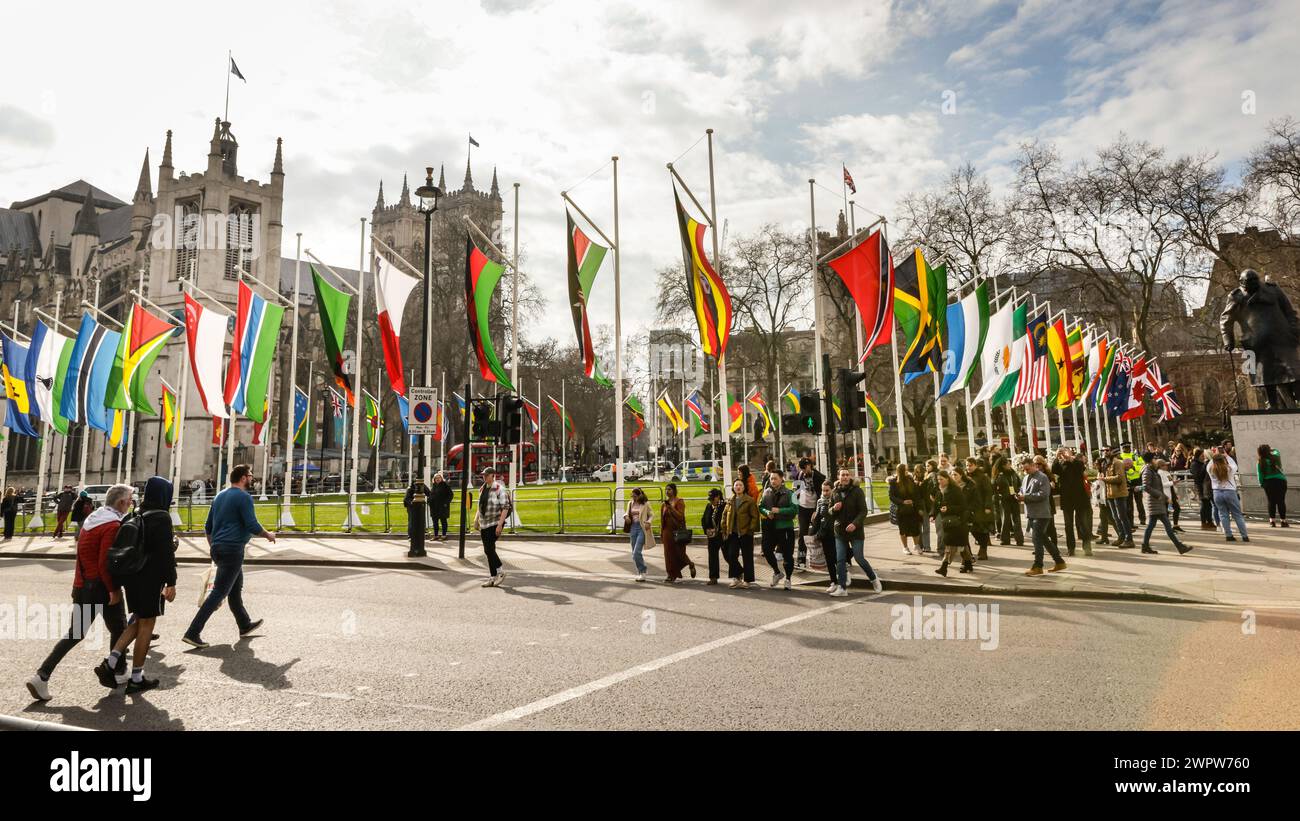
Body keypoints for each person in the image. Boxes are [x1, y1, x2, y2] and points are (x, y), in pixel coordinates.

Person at [26, 484, 133, 701]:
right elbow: (105, 563)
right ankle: (118, 673)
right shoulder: (112, 525)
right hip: (101, 589)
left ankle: (42, 675)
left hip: (82, 586)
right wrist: (113, 590)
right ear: (121, 502)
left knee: (75, 633)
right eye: (130, 499)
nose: (131, 503)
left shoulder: (92, 521)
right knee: (120, 630)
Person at [95, 477, 179, 694]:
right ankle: (136, 678)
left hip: (132, 577)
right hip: (150, 579)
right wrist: (172, 582)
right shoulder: (161, 516)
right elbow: (165, 554)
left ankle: (110, 663)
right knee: (147, 626)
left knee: (137, 621)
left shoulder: (135, 514)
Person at [182, 464, 276, 648]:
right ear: (242, 478)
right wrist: (268, 535)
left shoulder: (219, 496)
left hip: (219, 548)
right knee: (219, 592)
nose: (251, 478)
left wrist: (214, 546)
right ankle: (192, 632)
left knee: (234, 590)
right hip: (232, 549)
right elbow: (252, 524)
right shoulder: (243, 497)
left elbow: (208, 527)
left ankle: (244, 624)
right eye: (250, 475)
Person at [828, 469, 881, 596]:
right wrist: (834, 509)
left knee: (859, 558)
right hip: (840, 531)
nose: (845, 477)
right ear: (839, 477)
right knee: (840, 559)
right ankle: (842, 588)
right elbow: (829, 511)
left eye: (847, 475)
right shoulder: (835, 491)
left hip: (855, 531)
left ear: (850, 477)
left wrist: (854, 524)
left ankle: (874, 578)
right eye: (843, 475)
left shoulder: (857, 491)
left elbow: (863, 511)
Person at [1019, 458, 1066, 576]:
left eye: (1027, 469)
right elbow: (1022, 490)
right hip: (1031, 513)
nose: (1026, 471)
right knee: (1043, 538)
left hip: (1042, 514)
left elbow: (1044, 494)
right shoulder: (1025, 478)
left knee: (1036, 539)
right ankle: (1059, 562)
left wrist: (1026, 497)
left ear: (1034, 465)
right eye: (1024, 469)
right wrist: (1019, 495)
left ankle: (1038, 566)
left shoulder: (1042, 477)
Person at [1140, 459, 1191, 555]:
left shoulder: (1152, 471)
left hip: (1157, 502)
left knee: (1152, 526)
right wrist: (1161, 496)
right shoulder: (1148, 471)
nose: (1155, 461)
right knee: (1166, 526)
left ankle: (1145, 546)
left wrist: (1164, 497)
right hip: (1155, 502)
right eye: (1154, 459)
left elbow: (1157, 487)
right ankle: (1180, 546)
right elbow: (1146, 486)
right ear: (1150, 461)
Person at [475, 468, 513, 587]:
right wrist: (476, 520)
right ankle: (492, 577)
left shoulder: (499, 489)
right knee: (489, 551)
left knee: (489, 549)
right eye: (483, 475)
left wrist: (500, 525)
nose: (484, 477)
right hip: (484, 524)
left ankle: (500, 571)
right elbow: (479, 506)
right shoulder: (482, 488)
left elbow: (505, 507)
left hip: (494, 523)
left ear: (492, 475)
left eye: (486, 475)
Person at [759, 471, 797, 589]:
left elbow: (796, 509)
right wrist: (766, 512)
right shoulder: (766, 492)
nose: (773, 481)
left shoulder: (791, 493)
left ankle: (788, 579)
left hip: (785, 528)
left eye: (775, 479)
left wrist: (780, 511)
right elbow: (760, 506)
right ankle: (777, 572)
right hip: (770, 528)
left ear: (782, 479)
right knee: (766, 550)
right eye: (771, 479)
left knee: (787, 555)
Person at [1052, 448, 1092, 557]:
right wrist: (1056, 457)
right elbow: (1053, 470)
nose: (1064, 454)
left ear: (1070, 453)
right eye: (1063, 452)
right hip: (1067, 500)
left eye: (1066, 452)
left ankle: (1087, 548)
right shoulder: (1061, 465)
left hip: (1080, 499)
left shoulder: (1077, 463)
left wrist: (1070, 459)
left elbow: (1081, 468)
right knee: (1068, 526)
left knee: (1083, 524)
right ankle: (1071, 548)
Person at [933, 471, 972, 576]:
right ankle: (968, 563)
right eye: (938, 480)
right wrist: (932, 515)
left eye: (941, 479)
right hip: (947, 522)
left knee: (950, 545)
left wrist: (949, 508)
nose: (939, 481)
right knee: (962, 546)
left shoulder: (955, 491)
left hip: (958, 522)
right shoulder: (939, 491)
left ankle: (944, 567)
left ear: (947, 479)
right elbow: (936, 505)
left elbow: (963, 506)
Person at [721, 478, 758, 588]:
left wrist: (750, 530)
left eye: (740, 485)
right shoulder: (730, 500)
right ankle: (737, 576)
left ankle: (747, 580)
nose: (738, 487)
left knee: (747, 557)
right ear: (733, 487)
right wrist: (724, 529)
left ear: (744, 487)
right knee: (731, 555)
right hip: (733, 533)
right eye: (736, 485)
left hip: (745, 533)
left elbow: (755, 517)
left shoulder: (749, 500)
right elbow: (724, 515)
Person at [1209, 452, 1249, 542]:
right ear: (1223, 460)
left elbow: (1210, 463)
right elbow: (1234, 465)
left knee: (1223, 514)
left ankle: (1228, 535)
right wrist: (1227, 456)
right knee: (1237, 515)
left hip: (1217, 492)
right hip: (1229, 491)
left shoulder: (1210, 469)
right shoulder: (1229, 469)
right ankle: (1244, 535)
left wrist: (1214, 456)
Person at [659, 483, 694, 582]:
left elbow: (680, 516)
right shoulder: (664, 504)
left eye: (669, 489)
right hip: (667, 531)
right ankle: (670, 574)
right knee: (668, 554)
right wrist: (662, 532)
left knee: (680, 553)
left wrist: (671, 508)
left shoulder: (679, 502)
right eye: (666, 489)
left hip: (678, 531)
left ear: (674, 491)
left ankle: (690, 564)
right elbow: (663, 520)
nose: (667, 491)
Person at [965, 459, 995, 562]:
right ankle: (982, 546)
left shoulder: (982, 477)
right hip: (970, 507)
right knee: (973, 529)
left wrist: (988, 506)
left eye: (970, 465)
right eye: (967, 465)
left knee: (982, 528)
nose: (968, 467)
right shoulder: (966, 477)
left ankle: (983, 550)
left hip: (981, 507)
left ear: (975, 465)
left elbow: (988, 492)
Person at [889, 464, 922, 555]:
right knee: (903, 529)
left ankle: (916, 545)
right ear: (901, 471)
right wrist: (902, 502)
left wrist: (916, 504)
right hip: (901, 509)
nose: (907, 471)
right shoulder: (893, 482)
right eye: (906, 470)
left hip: (912, 508)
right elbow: (891, 496)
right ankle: (905, 547)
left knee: (915, 528)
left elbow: (916, 494)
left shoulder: (910, 479)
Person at [1103, 454, 1135, 548]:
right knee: (1115, 517)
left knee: (1122, 517)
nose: (1104, 453)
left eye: (1106, 451)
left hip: (1119, 494)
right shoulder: (1108, 464)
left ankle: (1129, 539)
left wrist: (1104, 479)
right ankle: (1121, 537)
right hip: (1111, 494)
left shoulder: (1118, 463)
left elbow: (1119, 478)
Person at [793, 459, 819, 566]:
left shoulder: (819, 477)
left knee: (817, 535)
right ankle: (801, 560)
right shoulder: (799, 475)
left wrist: (817, 510)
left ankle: (821, 559)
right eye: (801, 469)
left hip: (815, 510)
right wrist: (795, 506)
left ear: (809, 466)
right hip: (803, 509)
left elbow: (823, 495)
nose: (803, 471)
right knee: (802, 536)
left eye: (804, 468)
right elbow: (796, 491)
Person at [993, 457, 1024, 546]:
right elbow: (994, 487)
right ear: (1003, 465)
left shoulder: (1013, 473)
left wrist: (1017, 491)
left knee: (1017, 520)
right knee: (1005, 520)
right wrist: (999, 495)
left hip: (1014, 498)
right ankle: (1005, 539)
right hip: (1004, 499)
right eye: (1007, 463)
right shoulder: (999, 475)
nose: (1009, 464)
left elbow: (1019, 483)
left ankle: (1019, 540)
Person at [1257, 444, 1289, 527]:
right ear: (1269, 450)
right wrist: (1272, 449)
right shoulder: (1276, 457)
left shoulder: (1260, 461)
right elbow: (1277, 451)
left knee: (1271, 501)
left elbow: (1260, 474)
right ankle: (1283, 521)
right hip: (1280, 481)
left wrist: (1261, 483)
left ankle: (1272, 521)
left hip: (1268, 482)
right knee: (1281, 501)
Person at [625, 487, 653, 582]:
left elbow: (651, 514)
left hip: (641, 528)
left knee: (636, 552)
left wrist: (648, 522)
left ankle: (643, 571)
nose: (633, 498)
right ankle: (640, 572)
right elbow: (626, 513)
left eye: (635, 496)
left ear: (639, 495)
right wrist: (626, 517)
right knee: (634, 553)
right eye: (632, 496)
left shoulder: (645, 504)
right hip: (633, 528)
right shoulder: (630, 503)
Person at [701, 488, 727, 585]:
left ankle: (738, 572)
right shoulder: (709, 506)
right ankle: (713, 577)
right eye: (710, 499)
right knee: (712, 557)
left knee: (728, 556)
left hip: (722, 535)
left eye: (713, 498)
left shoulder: (724, 506)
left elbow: (726, 520)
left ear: (718, 497)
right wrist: (706, 530)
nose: (711, 500)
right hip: (711, 536)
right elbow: (703, 519)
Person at [1190, 448, 1214, 530]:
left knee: (1208, 505)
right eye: (1202, 455)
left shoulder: (1201, 463)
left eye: (1204, 455)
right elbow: (1198, 476)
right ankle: (1204, 523)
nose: (1203, 457)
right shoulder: (1194, 464)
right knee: (1204, 505)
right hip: (1200, 487)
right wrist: (1205, 465)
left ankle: (1209, 521)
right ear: (1198, 456)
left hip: (1205, 487)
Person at [428, 472, 453, 540]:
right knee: (435, 522)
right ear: (434, 479)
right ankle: (436, 535)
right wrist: (429, 501)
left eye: (439, 478)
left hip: (442, 506)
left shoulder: (445, 485)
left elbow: (450, 495)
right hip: (434, 507)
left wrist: (446, 503)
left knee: (443, 521)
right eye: (436, 478)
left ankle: (444, 535)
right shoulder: (433, 486)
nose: (437, 479)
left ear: (441, 478)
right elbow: (431, 495)